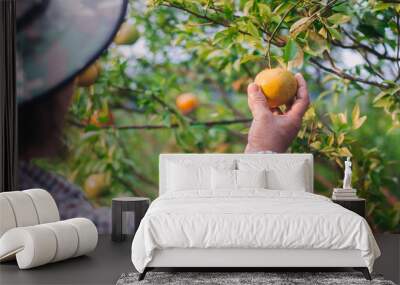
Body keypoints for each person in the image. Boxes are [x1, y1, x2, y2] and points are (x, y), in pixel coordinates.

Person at [16, 0, 309, 234]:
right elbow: (174, 235)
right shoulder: (48, 215)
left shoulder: (32, 189)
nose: (76, 79)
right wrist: (263, 150)